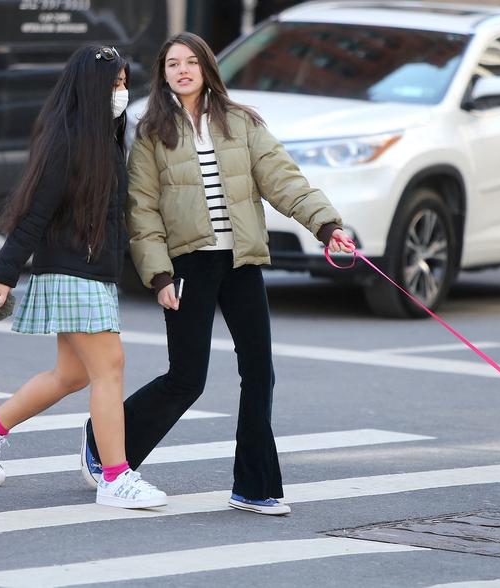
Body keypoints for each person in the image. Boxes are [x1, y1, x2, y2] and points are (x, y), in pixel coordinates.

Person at [80, 32, 355, 516]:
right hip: (188, 264)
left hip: (241, 261)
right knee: (187, 379)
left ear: (206, 66)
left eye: (190, 62)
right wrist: (159, 276)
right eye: (172, 64)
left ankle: (254, 486)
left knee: (259, 373)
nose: (182, 70)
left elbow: (283, 178)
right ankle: (105, 447)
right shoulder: (150, 132)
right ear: (163, 74)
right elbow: (141, 211)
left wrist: (327, 225)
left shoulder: (242, 123)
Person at [0, 45, 167, 510]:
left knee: (71, 374)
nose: (121, 92)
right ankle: (115, 477)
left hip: (93, 272)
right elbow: (34, 212)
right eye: (113, 84)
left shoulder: (106, 138)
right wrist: (3, 273)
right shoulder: (67, 138)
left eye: (124, 83)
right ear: (90, 88)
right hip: (73, 271)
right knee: (110, 368)